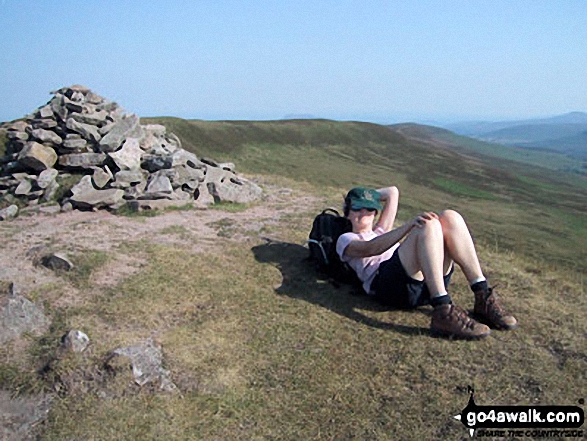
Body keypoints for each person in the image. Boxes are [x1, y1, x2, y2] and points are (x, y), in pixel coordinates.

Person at [336, 186, 517, 339]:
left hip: (424, 285)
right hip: (388, 288)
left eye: (369, 208)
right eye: (357, 208)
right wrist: (409, 225)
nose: (364, 213)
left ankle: (482, 296)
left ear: (376, 211)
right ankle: (443, 310)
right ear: (348, 211)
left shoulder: (382, 230)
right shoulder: (345, 239)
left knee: (449, 216)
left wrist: (367, 195)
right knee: (426, 225)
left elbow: (392, 192)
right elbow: (371, 249)